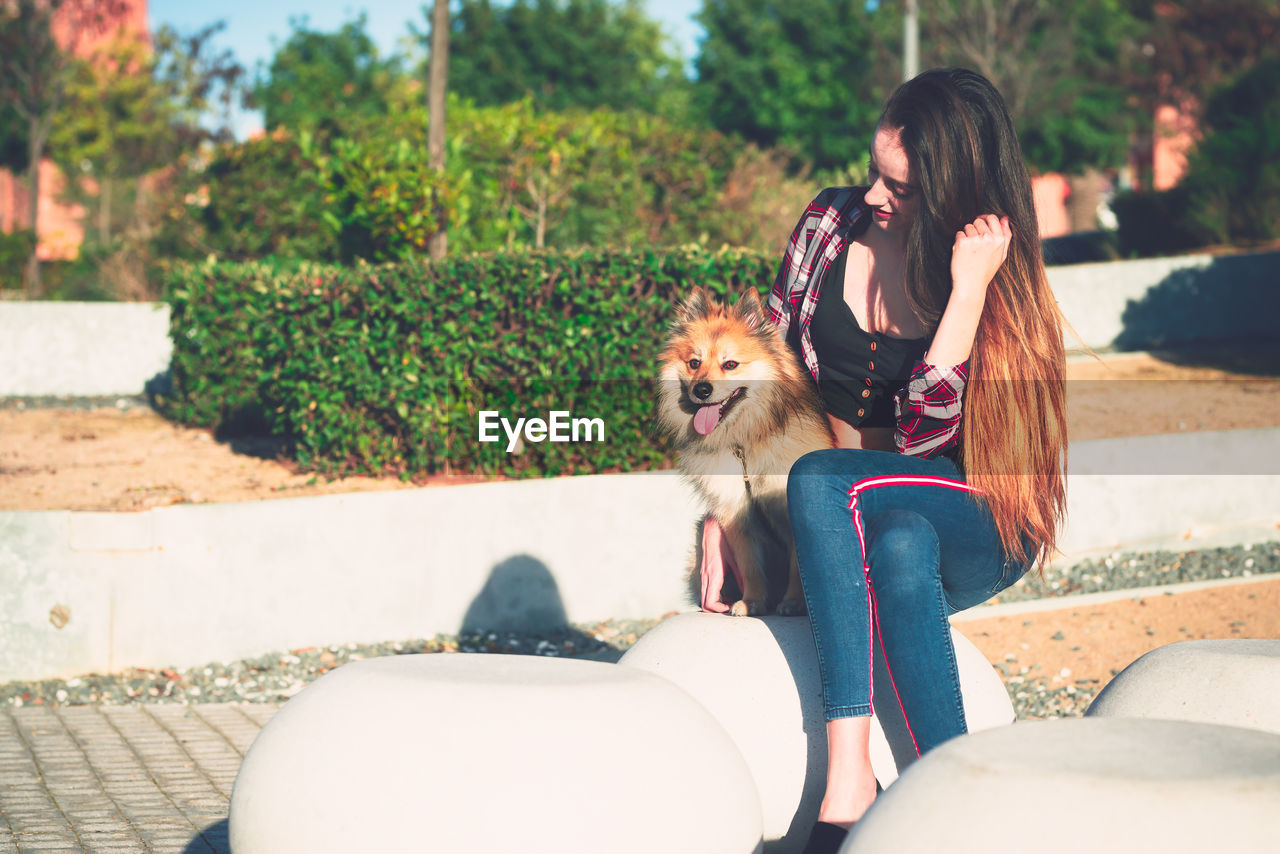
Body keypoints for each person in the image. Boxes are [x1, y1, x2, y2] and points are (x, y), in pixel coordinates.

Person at [699, 67, 1068, 853]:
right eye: (874, 170)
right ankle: (956, 794)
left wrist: (965, 296)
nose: (873, 194)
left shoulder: (994, 278)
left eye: (898, 186)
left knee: (833, 482)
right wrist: (727, 509)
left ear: (949, 193)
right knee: (893, 541)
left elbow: (926, 451)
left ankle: (848, 780)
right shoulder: (827, 228)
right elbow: (760, 378)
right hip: (857, 525)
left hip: (976, 514)